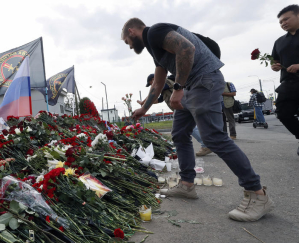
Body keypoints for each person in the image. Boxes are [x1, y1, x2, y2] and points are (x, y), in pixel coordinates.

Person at [121, 18, 274, 221]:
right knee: (179, 134)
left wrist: (177, 88)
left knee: (213, 138)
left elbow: (187, 49)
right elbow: (157, 84)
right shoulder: (154, 48)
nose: (130, 47)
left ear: (131, 31)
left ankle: (257, 194)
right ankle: (187, 185)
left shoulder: (155, 32)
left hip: (204, 80)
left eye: (127, 42)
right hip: (191, 86)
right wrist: (144, 108)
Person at [138, 73, 212, 156]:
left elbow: (154, 93)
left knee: (189, 128)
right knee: (182, 130)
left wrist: (143, 103)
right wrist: (146, 103)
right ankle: (182, 148)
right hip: (180, 108)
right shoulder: (164, 88)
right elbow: (159, 100)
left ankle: (205, 145)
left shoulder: (164, 82)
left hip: (182, 106)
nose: (152, 85)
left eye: (151, 83)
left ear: (153, 79)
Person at [271, 4, 299, 155]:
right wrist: (274, 66)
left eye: (286, 19)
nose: (283, 23)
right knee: (283, 113)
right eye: (281, 22)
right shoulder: (279, 41)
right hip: (289, 83)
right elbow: (274, 60)